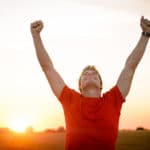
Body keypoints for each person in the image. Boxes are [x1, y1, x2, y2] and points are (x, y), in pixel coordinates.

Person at [30, 16, 150, 150]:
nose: (89, 74)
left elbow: (130, 67)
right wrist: (36, 35)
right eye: (85, 75)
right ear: (80, 86)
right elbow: (48, 68)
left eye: (94, 74)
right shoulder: (69, 99)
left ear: (101, 85)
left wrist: (145, 34)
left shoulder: (113, 99)